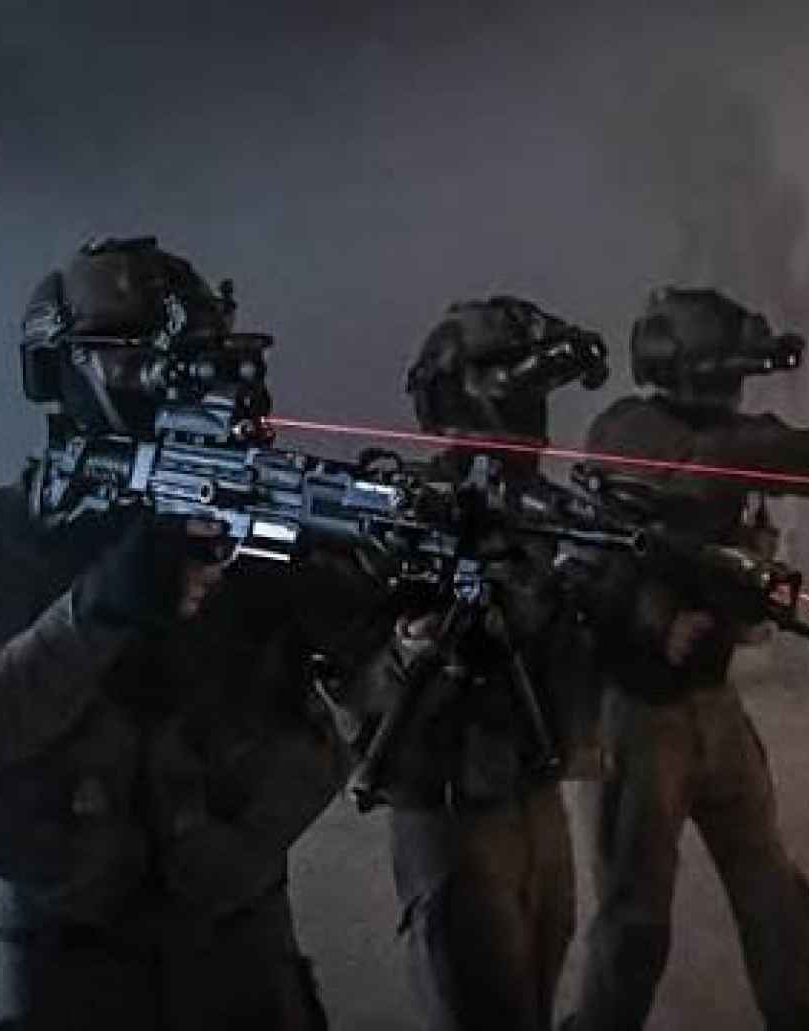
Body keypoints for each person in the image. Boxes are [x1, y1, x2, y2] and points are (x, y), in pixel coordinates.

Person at [0, 237, 388, 1030]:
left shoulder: (257, 523)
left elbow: (371, 718)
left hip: (240, 937)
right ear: (60, 369)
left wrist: (397, 625)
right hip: (74, 953)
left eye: (191, 358)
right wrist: (97, 609)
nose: (169, 381)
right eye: (135, 357)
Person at [567, 288, 809, 1031]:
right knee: (635, 924)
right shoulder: (631, 430)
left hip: (711, 702)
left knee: (775, 894)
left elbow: (787, 454)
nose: (740, 387)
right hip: (642, 714)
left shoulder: (721, 437)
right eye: (729, 368)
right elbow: (704, 478)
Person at [361, 297, 607, 1030]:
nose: (527, 413)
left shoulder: (538, 512)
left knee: (535, 987)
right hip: (453, 804)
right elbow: (366, 676)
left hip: (534, 790)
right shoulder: (412, 513)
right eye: (513, 388)